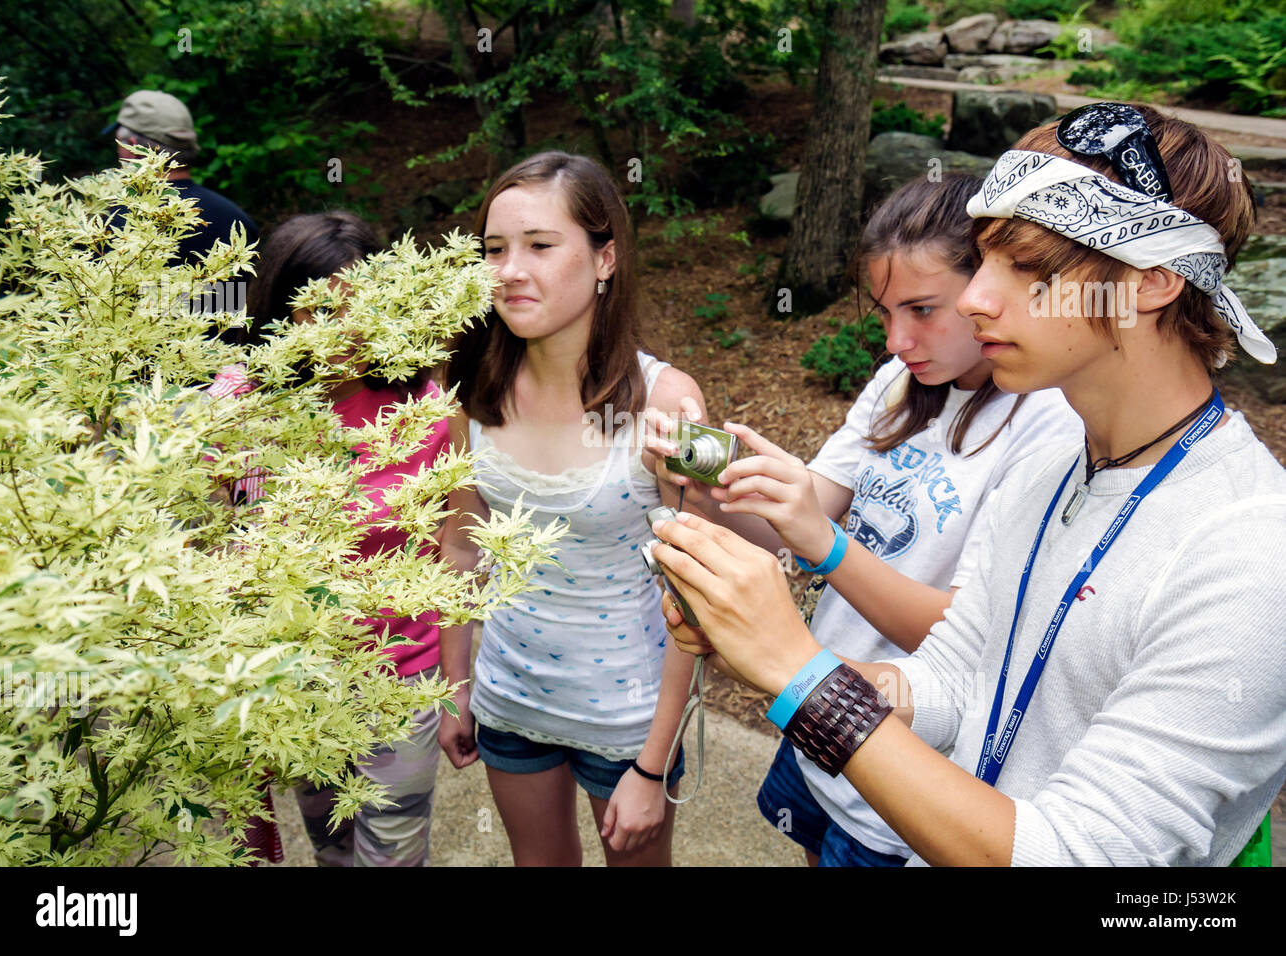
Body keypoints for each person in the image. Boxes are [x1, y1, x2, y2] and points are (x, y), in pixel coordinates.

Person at [650, 103, 1286, 866]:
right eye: (985, 260)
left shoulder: (1251, 550)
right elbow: (954, 679)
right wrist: (752, 647)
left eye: (1025, 267)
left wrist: (800, 670)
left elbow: (1077, 854)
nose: (978, 297)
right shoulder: (1062, 469)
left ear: (1148, 283)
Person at [646, 173, 1081, 866]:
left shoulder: (1050, 428)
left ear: (987, 289)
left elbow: (964, 639)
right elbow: (805, 514)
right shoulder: (901, 382)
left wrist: (823, 545)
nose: (896, 339)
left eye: (922, 309)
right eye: (883, 313)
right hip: (824, 717)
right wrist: (703, 484)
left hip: (907, 761)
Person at [441, 151, 707, 866]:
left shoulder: (670, 402)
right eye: (494, 250)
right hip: (509, 698)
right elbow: (461, 545)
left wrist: (655, 765)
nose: (509, 270)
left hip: (629, 717)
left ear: (604, 258)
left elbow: (694, 591)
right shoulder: (469, 388)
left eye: (539, 245)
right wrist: (454, 683)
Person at [209, 211, 455, 866]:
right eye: (313, 311)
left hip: (399, 678)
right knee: (334, 852)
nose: (336, 332)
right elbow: (210, 539)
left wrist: (458, 687)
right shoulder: (238, 402)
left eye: (354, 309)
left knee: (392, 857)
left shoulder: (422, 407)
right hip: (294, 680)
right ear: (277, 311)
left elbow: (453, 551)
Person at [106, 90, 258, 269]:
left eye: (119, 143)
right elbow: (236, 296)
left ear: (132, 147)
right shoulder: (237, 222)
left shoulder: (111, 224)